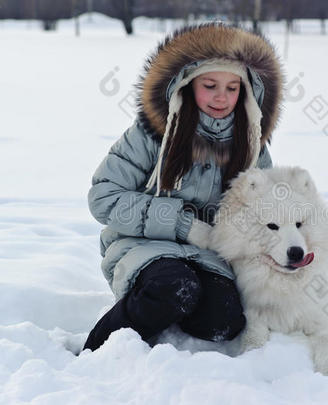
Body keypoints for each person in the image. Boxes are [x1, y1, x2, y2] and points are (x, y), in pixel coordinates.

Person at [83, 23, 284, 351]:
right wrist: (181, 224)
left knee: (225, 320)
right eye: (210, 85)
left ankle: (173, 312)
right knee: (174, 286)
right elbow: (104, 197)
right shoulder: (150, 134)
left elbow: (266, 209)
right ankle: (97, 350)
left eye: (233, 88)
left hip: (210, 255)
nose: (222, 97)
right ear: (187, 85)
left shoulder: (251, 146)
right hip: (143, 246)